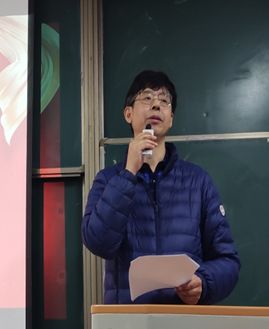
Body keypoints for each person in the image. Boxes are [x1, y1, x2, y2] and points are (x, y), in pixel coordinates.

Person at [81, 70, 240, 304]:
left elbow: (228, 260)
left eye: (164, 100)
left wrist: (204, 283)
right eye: (147, 97)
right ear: (128, 114)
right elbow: (98, 243)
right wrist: (128, 174)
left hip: (183, 320)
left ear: (171, 118)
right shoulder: (108, 180)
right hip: (128, 320)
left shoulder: (198, 182)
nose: (156, 104)